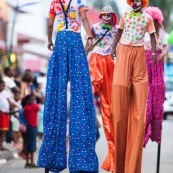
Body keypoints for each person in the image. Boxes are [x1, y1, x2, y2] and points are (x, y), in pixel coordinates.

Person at [37, 0, 98, 173]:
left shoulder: (54, 2)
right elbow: (85, 19)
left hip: (61, 41)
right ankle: (81, 161)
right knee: (81, 93)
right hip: (75, 39)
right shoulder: (79, 0)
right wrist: (90, 37)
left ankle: (52, 158)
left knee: (56, 94)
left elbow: (50, 23)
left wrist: (50, 40)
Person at [111, 0, 156, 173]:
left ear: (142, 2)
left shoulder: (148, 18)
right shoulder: (125, 16)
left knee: (139, 106)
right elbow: (119, 33)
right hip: (124, 50)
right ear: (130, 2)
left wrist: (152, 52)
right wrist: (114, 47)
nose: (135, 2)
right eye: (133, 0)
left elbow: (152, 36)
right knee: (120, 87)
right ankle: (119, 166)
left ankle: (132, 166)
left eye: (139, 0)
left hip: (138, 53)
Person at [86, 6, 118, 172]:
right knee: (88, 99)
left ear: (111, 16)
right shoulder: (94, 28)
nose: (106, 17)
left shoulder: (116, 30)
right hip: (96, 61)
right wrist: (81, 62)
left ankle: (113, 157)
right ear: (101, 15)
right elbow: (88, 45)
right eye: (104, 14)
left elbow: (119, 48)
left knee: (110, 109)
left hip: (109, 64)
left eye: (109, 14)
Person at [143, 6, 167, 147]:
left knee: (157, 90)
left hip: (157, 62)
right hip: (145, 61)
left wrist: (161, 56)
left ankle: (155, 129)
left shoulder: (161, 32)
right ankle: (144, 129)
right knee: (146, 92)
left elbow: (164, 48)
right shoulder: (143, 31)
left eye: (155, 20)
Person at [23, 94, 39, 168]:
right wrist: (33, 102)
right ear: (28, 101)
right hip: (31, 126)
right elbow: (37, 107)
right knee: (31, 145)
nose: (33, 101)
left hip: (31, 126)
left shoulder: (26, 107)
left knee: (29, 144)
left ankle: (28, 162)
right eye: (31, 100)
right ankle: (31, 162)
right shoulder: (30, 107)